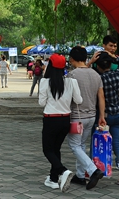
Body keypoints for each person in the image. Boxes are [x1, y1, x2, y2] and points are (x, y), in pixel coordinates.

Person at [39, 53, 82, 192]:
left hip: (50, 119)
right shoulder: (71, 82)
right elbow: (79, 100)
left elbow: (41, 103)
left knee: (47, 149)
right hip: (65, 120)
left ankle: (63, 171)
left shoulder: (45, 82)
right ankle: (53, 179)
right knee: (56, 148)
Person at [90, 51, 119, 186]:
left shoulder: (99, 78)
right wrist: (114, 57)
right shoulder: (117, 74)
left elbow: (101, 97)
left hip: (104, 115)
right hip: (117, 114)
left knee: (95, 143)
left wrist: (91, 61)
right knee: (117, 145)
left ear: (98, 66)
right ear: (110, 64)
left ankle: (91, 171)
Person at [66, 46, 106, 190]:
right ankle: (80, 175)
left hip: (77, 117)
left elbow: (67, 97)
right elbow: (101, 97)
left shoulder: (71, 75)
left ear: (72, 59)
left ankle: (93, 170)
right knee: (81, 145)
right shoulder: (96, 75)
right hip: (92, 116)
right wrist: (102, 116)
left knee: (74, 145)